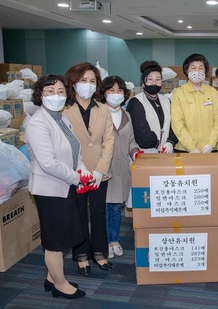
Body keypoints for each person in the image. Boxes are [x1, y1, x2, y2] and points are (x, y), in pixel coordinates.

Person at [25, 74, 87, 299]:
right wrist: (76, 177)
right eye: (50, 91)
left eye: (61, 91)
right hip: (49, 189)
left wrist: (82, 169)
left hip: (65, 185)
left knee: (63, 233)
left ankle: (51, 278)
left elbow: (74, 150)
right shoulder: (38, 122)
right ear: (40, 95)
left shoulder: (61, 118)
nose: (56, 96)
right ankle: (60, 285)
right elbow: (48, 163)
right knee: (54, 240)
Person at [63, 62, 115, 275]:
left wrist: (99, 171)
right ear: (73, 83)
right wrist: (79, 170)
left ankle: (100, 253)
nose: (88, 85)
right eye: (83, 80)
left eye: (92, 81)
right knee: (78, 215)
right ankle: (81, 256)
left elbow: (109, 141)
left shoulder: (103, 109)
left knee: (98, 213)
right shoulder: (64, 109)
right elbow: (63, 143)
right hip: (75, 171)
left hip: (99, 172)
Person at [100, 76, 141, 259]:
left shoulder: (126, 115)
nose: (115, 94)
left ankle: (114, 240)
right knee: (102, 207)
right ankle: (103, 241)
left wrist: (135, 153)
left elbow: (131, 141)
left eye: (119, 91)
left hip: (121, 167)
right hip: (102, 168)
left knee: (116, 207)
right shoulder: (98, 113)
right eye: (111, 90)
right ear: (103, 93)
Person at [171, 53, 218, 153]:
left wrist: (211, 144)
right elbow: (177, 123)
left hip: (209, 149)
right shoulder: (178, 93)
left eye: (201, 68)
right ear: (187, 70)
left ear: (205, 71)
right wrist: (191, 148)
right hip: (184, 149)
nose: (197, 71)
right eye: (193, 68)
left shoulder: (212, 92)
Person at [127, 61, 178, 153]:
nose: (154, 82)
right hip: (146, 152)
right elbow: (141, 130)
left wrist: (170, 142)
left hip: (167, 152)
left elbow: (174, 124)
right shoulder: (136, 102)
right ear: (143, 83)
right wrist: (157, 145)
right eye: (150, 79)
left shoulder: (166, 101)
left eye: (158, 79)